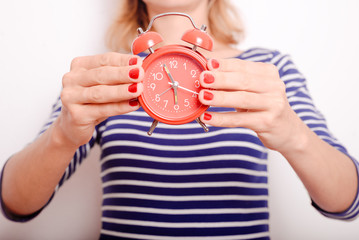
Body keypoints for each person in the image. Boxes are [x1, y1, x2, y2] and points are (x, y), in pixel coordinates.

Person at [1, 0, 359, 239]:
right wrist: (63, 135)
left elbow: (347, 203)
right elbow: (14, 205)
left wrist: (292, 133)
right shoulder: (102, 77)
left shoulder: (266, 71)